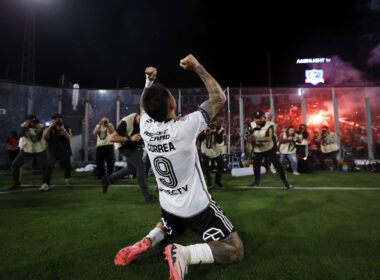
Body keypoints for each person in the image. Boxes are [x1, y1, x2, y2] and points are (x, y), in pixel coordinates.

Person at [113, 55, 244, 280]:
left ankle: (150, 239)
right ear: (172, 104)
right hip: (196, 206)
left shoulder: (145, 126)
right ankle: (184, 254)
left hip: (168, 201)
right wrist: (197, 67)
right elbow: (219, 98)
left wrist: (148, 82)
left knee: (170, 225)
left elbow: (145, 106)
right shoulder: (186, 126)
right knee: (235, 248)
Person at [102, 110, 156, 204]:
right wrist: (130, 138)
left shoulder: (146, 123)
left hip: (134, 147)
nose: (145, 124)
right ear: (139, 116)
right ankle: (147, 196)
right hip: (123, 146)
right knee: (141, 166)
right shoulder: (126, 121)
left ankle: (108, 180)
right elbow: (113, 138)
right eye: (143, 121)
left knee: (130, 169)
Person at [245, 110, 292, 188]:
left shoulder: (270, 125)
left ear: (263, 117)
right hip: (258, 149)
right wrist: (248, 139)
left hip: (269, 147)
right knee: (256, 164)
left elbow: (269, 138)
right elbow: (246, 135)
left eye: (260, 118)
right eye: (256, 118)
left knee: (277, 163)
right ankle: (256, 181)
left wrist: (256, 139)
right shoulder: (251, 124)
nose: (258, 120)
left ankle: (285, 181)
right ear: (254, 118)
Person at [9, 115, 46, 190]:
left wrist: (38, 129)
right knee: (15, 165)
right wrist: (26, 126)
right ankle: (16, 182)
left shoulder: (41, 126)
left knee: (44, 167)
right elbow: (19, 135)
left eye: (34, 122)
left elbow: (37, 138)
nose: (33, 124)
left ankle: (46, 183)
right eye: (31, 122)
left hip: (39, 149)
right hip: (27, 149)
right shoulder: (23, 126)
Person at [40, 113, 72, 191]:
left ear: (62, 120)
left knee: (67, 166)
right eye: (55, 119)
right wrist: (51, 126)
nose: (57, 121)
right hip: (52, 150)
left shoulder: (66, 127)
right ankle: (46, 183)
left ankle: (67, 178)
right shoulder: (49, 127)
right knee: (49, 166)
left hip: (63, 149)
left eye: (59, 119)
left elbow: (69, 138)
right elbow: (43, 136)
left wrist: (63, 130)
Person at [198, 119, 225, 188]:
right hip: (205, 150)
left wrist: (214, 132)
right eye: (211, 124)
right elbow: (199, 139)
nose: (212, 125)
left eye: (214, 124)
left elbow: (220, 141)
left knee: (221, 165)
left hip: (215, 150)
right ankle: (209, 182)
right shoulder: (203, 128)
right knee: (206, 167)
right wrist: (204, 132)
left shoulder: (220, 129)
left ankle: (217, 181)